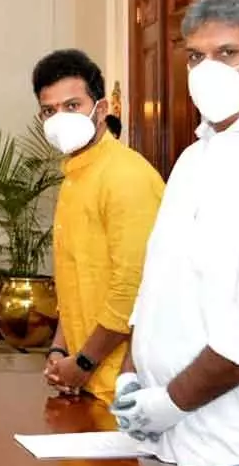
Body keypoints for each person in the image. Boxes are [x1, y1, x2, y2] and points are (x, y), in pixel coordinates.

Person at [112, 0, 239, 466]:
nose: (206, 70)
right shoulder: (192, 158)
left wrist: (171, 401)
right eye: (195, 57)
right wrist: (132, 376)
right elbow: (157, 285)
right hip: (175, 442)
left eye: (226, 53)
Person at [32, 49, 165, 404]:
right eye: (49, 110)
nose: (60, 117)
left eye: (72, 106)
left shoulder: (126, 176)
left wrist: (86, 360)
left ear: (101, 109)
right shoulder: (75, 177)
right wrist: (61, 352)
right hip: (85, 380)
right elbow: (74, 281)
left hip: (123, 384)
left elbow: (131, 289)